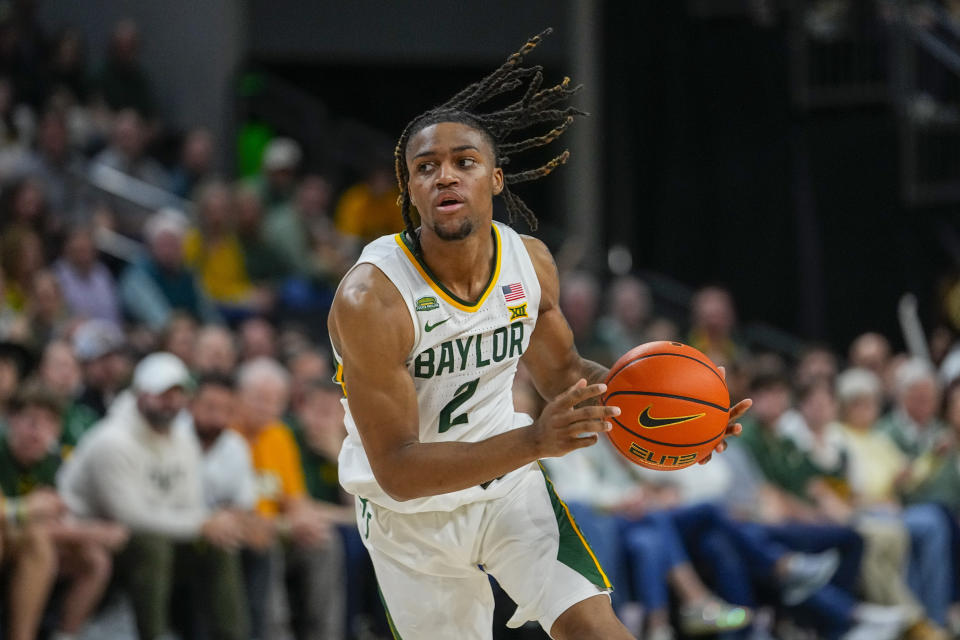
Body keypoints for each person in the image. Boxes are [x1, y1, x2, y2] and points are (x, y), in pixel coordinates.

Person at [327, 30, 750, 640]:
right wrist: (535, 440)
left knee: (597, 632)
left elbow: (562, 376)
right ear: (410, 191)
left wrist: (683, 416)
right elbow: (397, 468)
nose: (445, 176)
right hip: (407, 516)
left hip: (509, 492)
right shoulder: (373, 297)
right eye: (426, 168)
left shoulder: (529, 262)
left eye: (463, 163)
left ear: (495, 179)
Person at [57, 352, 246, 640]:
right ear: (139, 394)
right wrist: (201, 524)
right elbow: (129, 516)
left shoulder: (182, 439)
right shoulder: (111, 440)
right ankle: (153, 634)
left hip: (148, 535)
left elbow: (190, 504)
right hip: (92, 535)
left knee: (219, 543)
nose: (171, 403)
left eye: (178, 395)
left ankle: (231, 635)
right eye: (162, 395)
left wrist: (209, 525)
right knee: (154, 544)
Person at [0, 384, 127, 640]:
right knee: (29, 541)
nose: (37, 433)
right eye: (31, 422)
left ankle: (63, 635)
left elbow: (52, 521)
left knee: (94, 559)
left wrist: (90, 534)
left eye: (49, 424)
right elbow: (26, 518)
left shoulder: (49, 463)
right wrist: (25, 509)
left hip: (22, 542)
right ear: (11, 420)